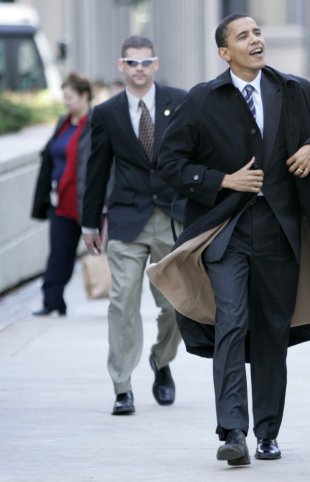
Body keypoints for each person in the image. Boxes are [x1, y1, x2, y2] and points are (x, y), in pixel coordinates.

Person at [148, 13, 310, 466]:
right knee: (231, 324)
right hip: (225, 235)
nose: (255, 39)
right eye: (243, 36)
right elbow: (170, 162)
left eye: (257, 32)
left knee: (270, 335)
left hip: (280, 236)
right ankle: (233, 432)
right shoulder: (202, 100)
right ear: (225, 53)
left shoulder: (295, 91)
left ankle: (267, 433)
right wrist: (222, 180)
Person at [81, 36, 187, 416]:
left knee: (176, 305)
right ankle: (122, 385)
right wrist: (89, 222)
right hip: (127, 218)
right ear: (121, 66)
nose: (139, 69)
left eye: (146, 62)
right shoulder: (106, 113)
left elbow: (195, 155)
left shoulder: (180, 102)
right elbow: (96, 170)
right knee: (122, 302)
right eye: (132, 62)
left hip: (171, 217)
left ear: (156, 65)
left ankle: (161, 360)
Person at [31, 72, 93, 317]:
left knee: (107, 253)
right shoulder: (63, 123)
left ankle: (115, 298)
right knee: (58, 253)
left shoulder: (96, 123)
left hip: (86, 201)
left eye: (69, 97)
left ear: (84, 95)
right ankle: (52, 301)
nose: (66, 102)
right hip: (60, 201)